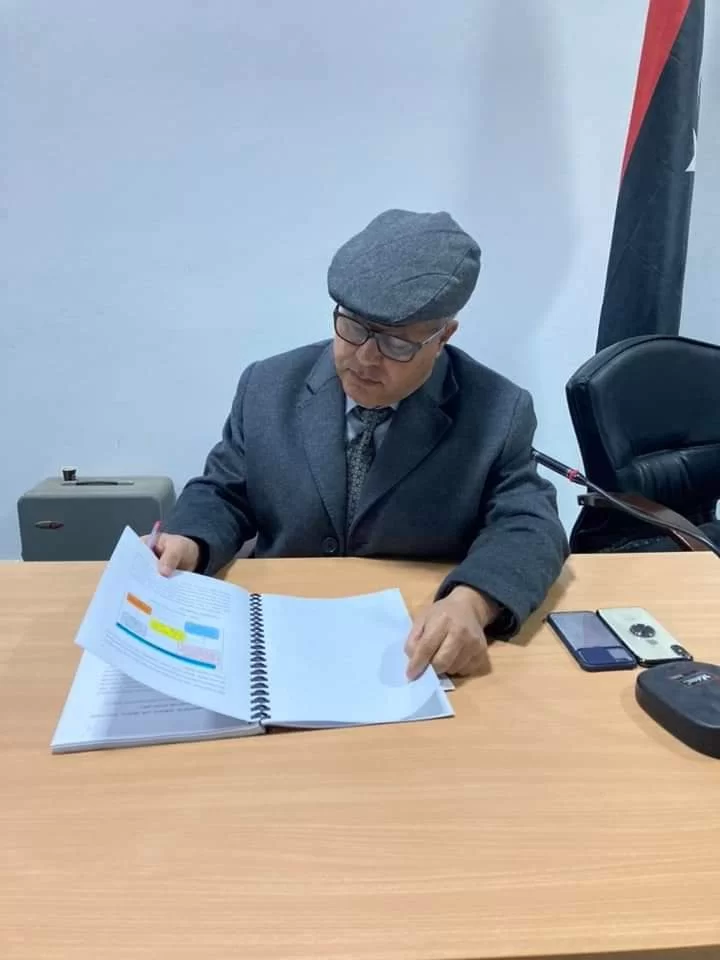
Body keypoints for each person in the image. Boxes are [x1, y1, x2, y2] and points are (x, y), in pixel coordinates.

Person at [155, 209, 568, 679]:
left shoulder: (497, 409)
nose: (365, 358)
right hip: (278, 627)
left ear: (443, 337)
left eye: (396, 343)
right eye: (353, 327)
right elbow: (223, 491)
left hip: (409, 644)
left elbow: (529, 525)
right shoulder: (268, 386)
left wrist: (472, 602)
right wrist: (188, 540)